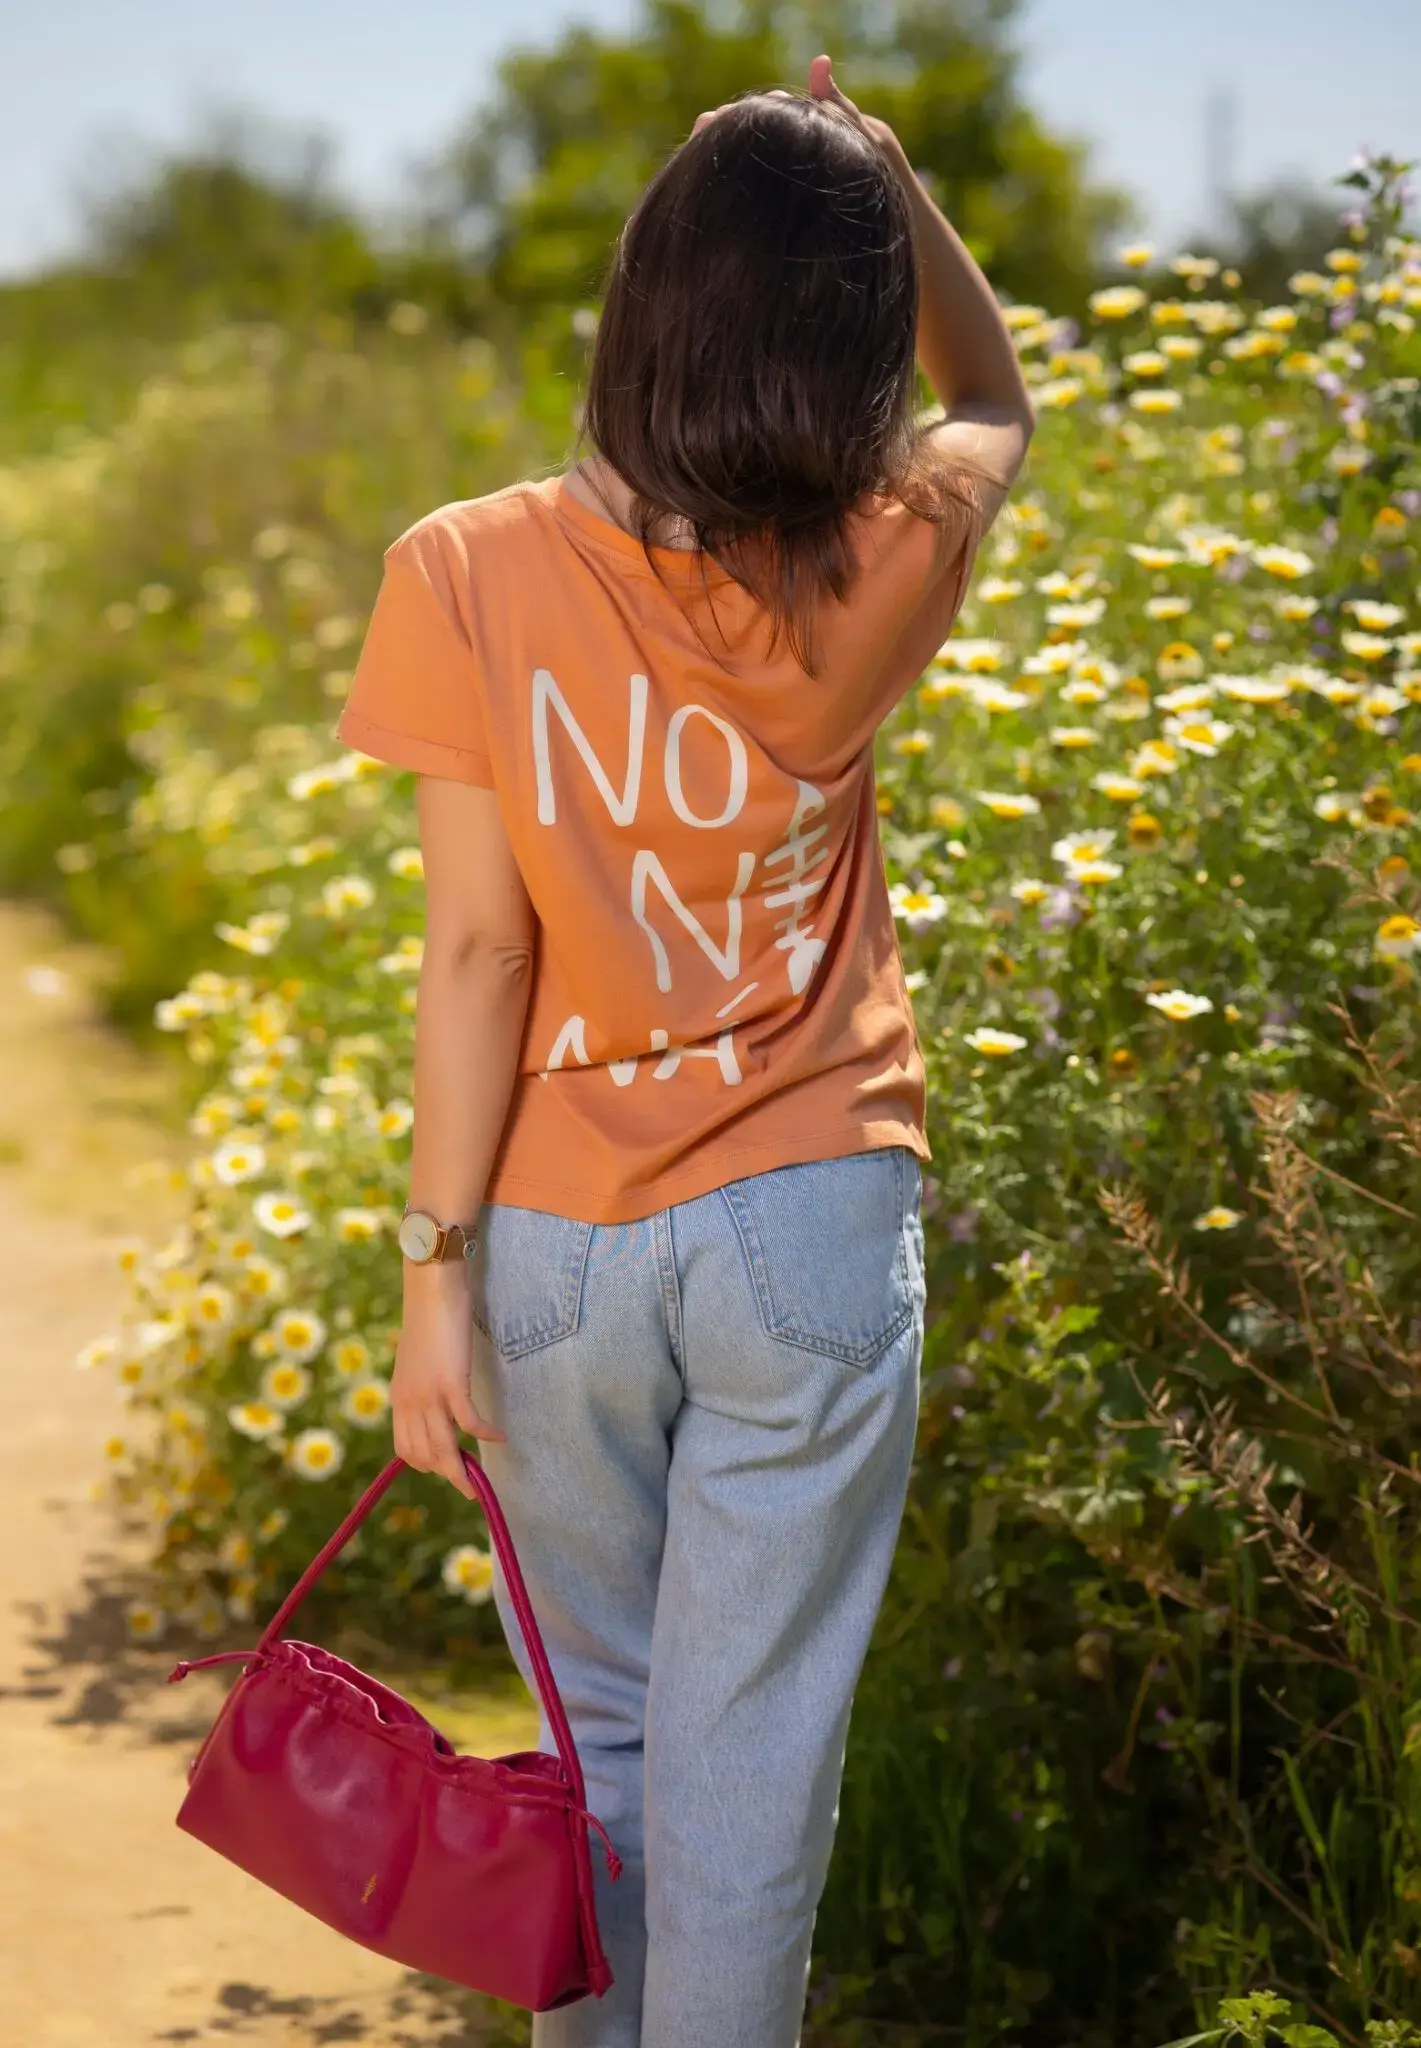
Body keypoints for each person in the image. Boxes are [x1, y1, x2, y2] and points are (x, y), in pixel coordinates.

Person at [334, 51, 1034, 2048]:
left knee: (603, 1756)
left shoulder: (460, 567)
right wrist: (893, 195)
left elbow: (475, 956)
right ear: (843, 324)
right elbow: (997, 400)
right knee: (747, 1790)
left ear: (642, 297)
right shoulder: (885, 542)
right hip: (811, 1220)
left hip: (550, 1240)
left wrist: (428, 1286)